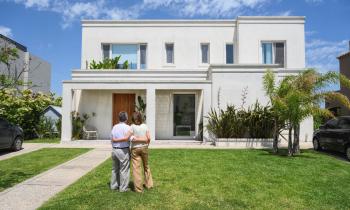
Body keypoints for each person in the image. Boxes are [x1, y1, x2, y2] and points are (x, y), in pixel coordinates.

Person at [129, 111, 154, 193]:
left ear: (134, 118)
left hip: (135, 149)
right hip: (144, 147)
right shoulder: (145, 126)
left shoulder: (132, 127)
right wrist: (146, 143)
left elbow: (130, 138)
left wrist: (136, 139)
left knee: (136, 169)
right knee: (146, 166)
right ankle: (149, 185)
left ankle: (139, 189)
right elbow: (149, 138)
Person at [110, 111, 131, 192]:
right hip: (123, 150)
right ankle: (123, 188)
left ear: (119, 118)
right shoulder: (128, 127)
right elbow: (130, 139)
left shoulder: (114, 126)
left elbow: (111, 138)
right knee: (124, 169)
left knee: (115, 169)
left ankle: (113, 185)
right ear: (126, 118)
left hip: (114, 149)